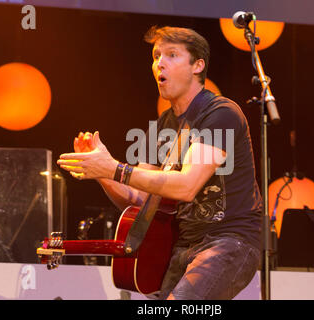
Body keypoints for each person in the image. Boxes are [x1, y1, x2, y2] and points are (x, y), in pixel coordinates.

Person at [57, 26, 263, 300]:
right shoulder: (164, 125)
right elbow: (141, 200)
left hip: (228, 242)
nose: (159, 63)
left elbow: (187, 186)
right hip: (183, 247)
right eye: (156, 56)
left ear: (197, 66)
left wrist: (113, 168)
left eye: (172, 55)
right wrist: (101, 171)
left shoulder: (220, 113)